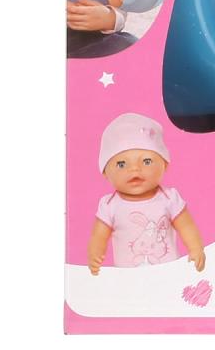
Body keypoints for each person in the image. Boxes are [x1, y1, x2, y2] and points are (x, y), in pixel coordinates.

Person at [88, 113, 206, 272]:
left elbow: (186, 226)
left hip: (167, 272)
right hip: (128, 277)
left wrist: (196, 248)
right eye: (121, 164)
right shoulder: (110, 205)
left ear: (164, 164)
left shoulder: (168, 198)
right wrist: (95, 254)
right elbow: (99, 236)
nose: (135, 169)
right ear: (105, 172)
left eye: (146, 161)